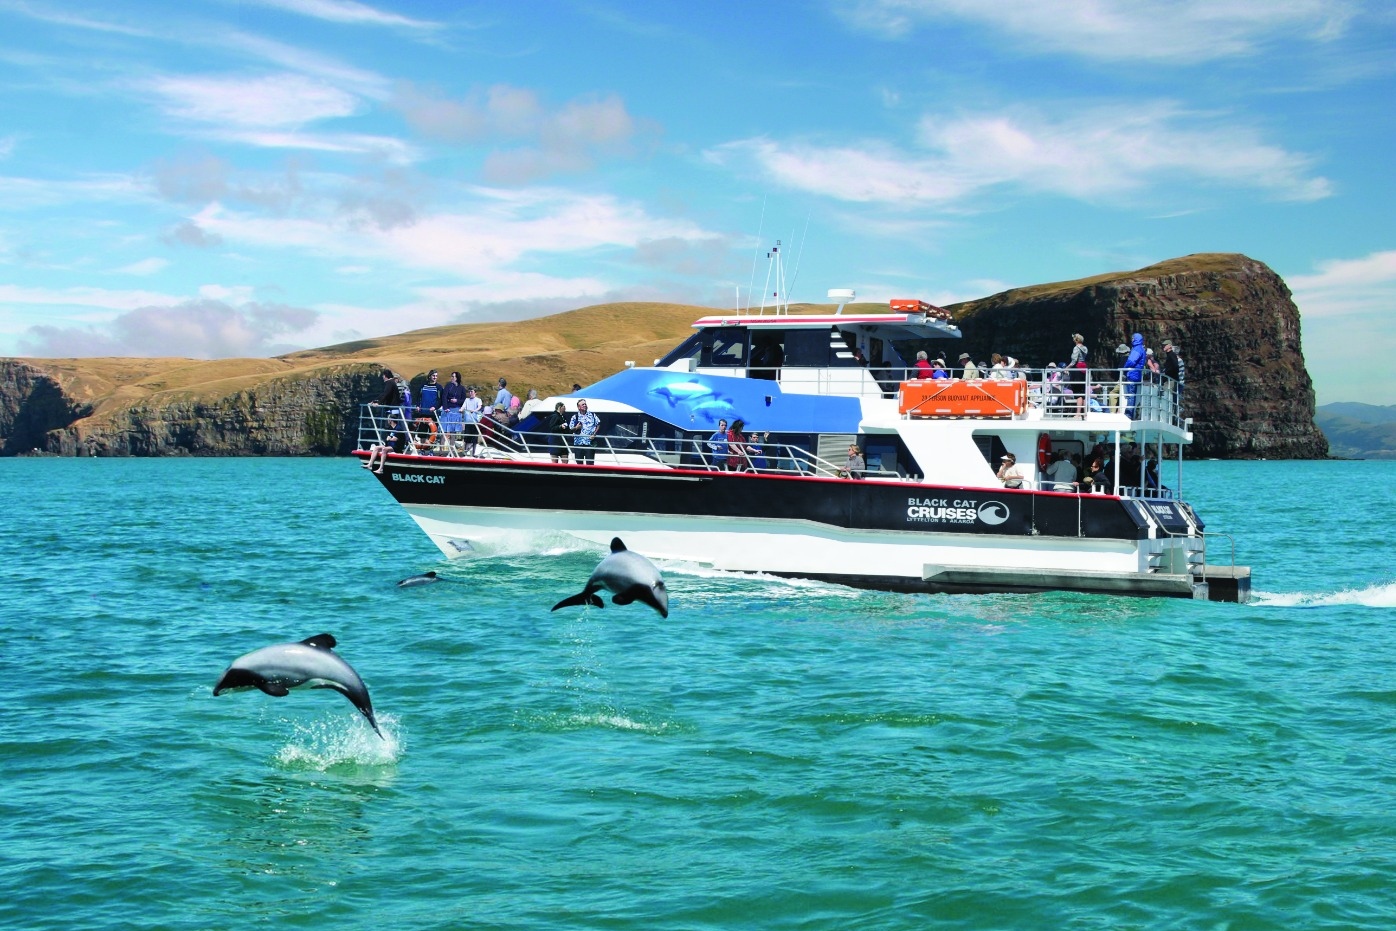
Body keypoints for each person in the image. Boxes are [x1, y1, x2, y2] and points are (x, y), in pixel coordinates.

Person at [568, 398, 600, 465]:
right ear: (579, 407)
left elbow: (598, 424)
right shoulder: (575, 417)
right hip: (578, 444)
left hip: (589, 443)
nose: (585, 405)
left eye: (585, 404)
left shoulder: (592, 415)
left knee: (590, 464)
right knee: (579, 464)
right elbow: (570, 430)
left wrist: (594, 434)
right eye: (583, 404)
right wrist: (576, 428)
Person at [440, 371, 466, 450]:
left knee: (453, 430)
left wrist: (457, 401)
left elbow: (463, 400)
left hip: (456, 410)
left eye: (454, 376)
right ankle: (441, 450)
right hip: (447, 409)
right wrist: (445, 407)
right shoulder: (448, 386)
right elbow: (444, 396)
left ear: (457, 378)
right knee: (444, 429)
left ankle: (451, 450)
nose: (452, 378)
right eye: (451, 376)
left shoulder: (462, 388)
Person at [1123, 333, 1146, 418]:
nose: (1132, 340)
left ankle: (1129, 413)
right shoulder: (1141, 349)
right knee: (1132, 394)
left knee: (1131, 395)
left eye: (1133, 338)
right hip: (1137, 374)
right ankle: (1130, 413)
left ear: (1136, 339)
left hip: (1132, 374)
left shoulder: (1137, 349)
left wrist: (1124, 368)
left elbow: (1131, 361)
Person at [1162, 339, 1185, 416]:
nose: (1163, 346)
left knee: (1169, 396)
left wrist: (1167, 372)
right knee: (1171, 397)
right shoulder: (1170, 355)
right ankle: (1171, 413)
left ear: (1169, 346)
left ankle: (1171, 413)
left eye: (1165, 345)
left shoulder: (1172, 355)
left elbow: (1175, 367)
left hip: (1171, 380)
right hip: (1171, 379)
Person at [1068, 333, 1089, 418]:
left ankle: (1078, 413)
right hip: (1084, 368)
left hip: (1077, 369)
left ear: (1076, 340)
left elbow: (1074, 361)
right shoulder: (1085, 348)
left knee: (1078, 393)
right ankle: (1084, 413)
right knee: (1082, 392)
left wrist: (1067, 368)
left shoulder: (1076, 348)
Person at [461, 386, 483, 455]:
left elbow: (479, 406)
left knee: (474, 439)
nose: (470, 393)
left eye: (472, 391)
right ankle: (465, 452)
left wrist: (474, 410)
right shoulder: (467, 400)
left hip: (474, 422)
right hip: (467, 422)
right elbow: (463, 406)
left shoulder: (478, 400)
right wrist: (461, 409)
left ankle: (474, 453)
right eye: (469, 392)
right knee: (467, 438)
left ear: (475, 393)